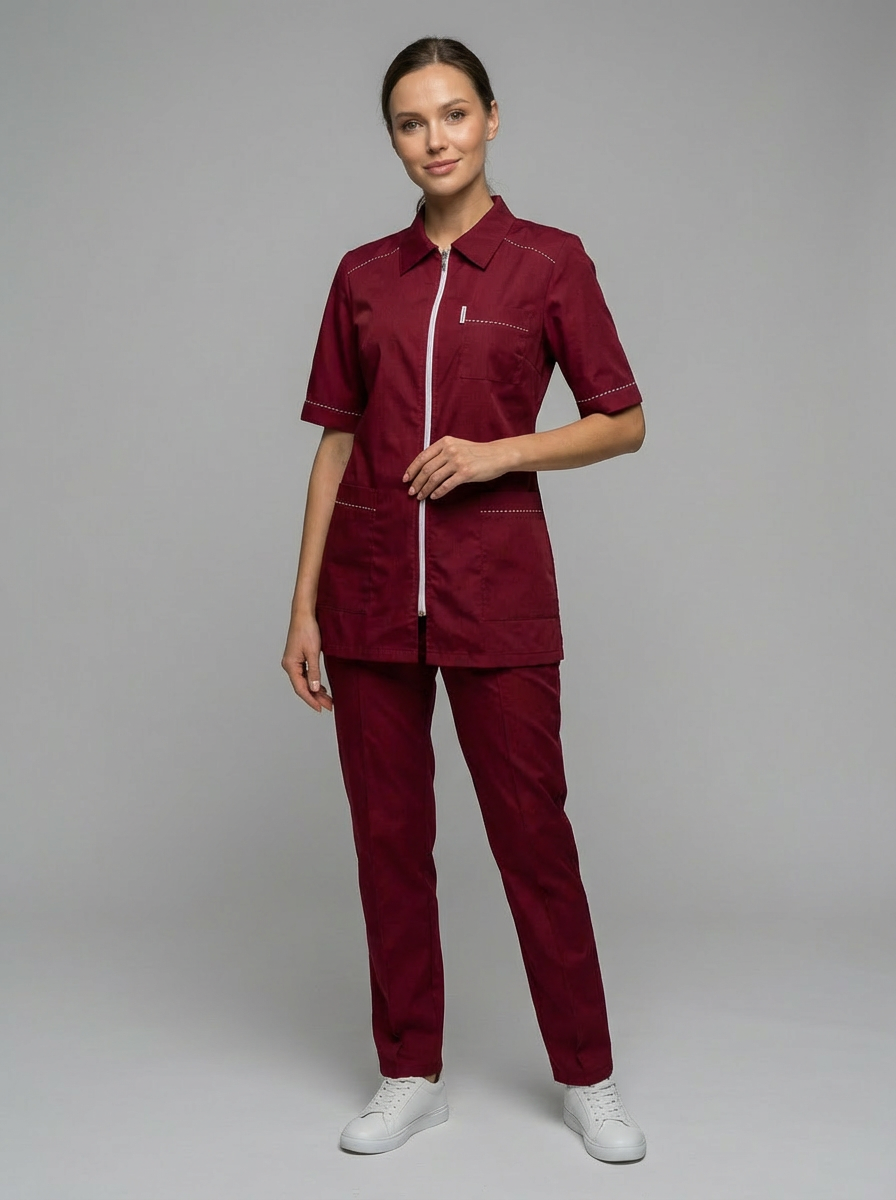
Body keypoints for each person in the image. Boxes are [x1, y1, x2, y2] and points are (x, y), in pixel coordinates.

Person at [281, 36, 648, 1164]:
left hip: (497, 592)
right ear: (392, 138)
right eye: (410, 121)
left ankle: (587, 1077)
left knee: (533, 837)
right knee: (388, 841)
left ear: (491, 117)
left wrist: (498, 453)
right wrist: (302, 607)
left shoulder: (550, 262)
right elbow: (335, 446)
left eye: (452, 114)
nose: (434, 139)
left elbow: (623, 419)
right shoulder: (362, 275)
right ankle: (409, 1073)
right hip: (368, 594)